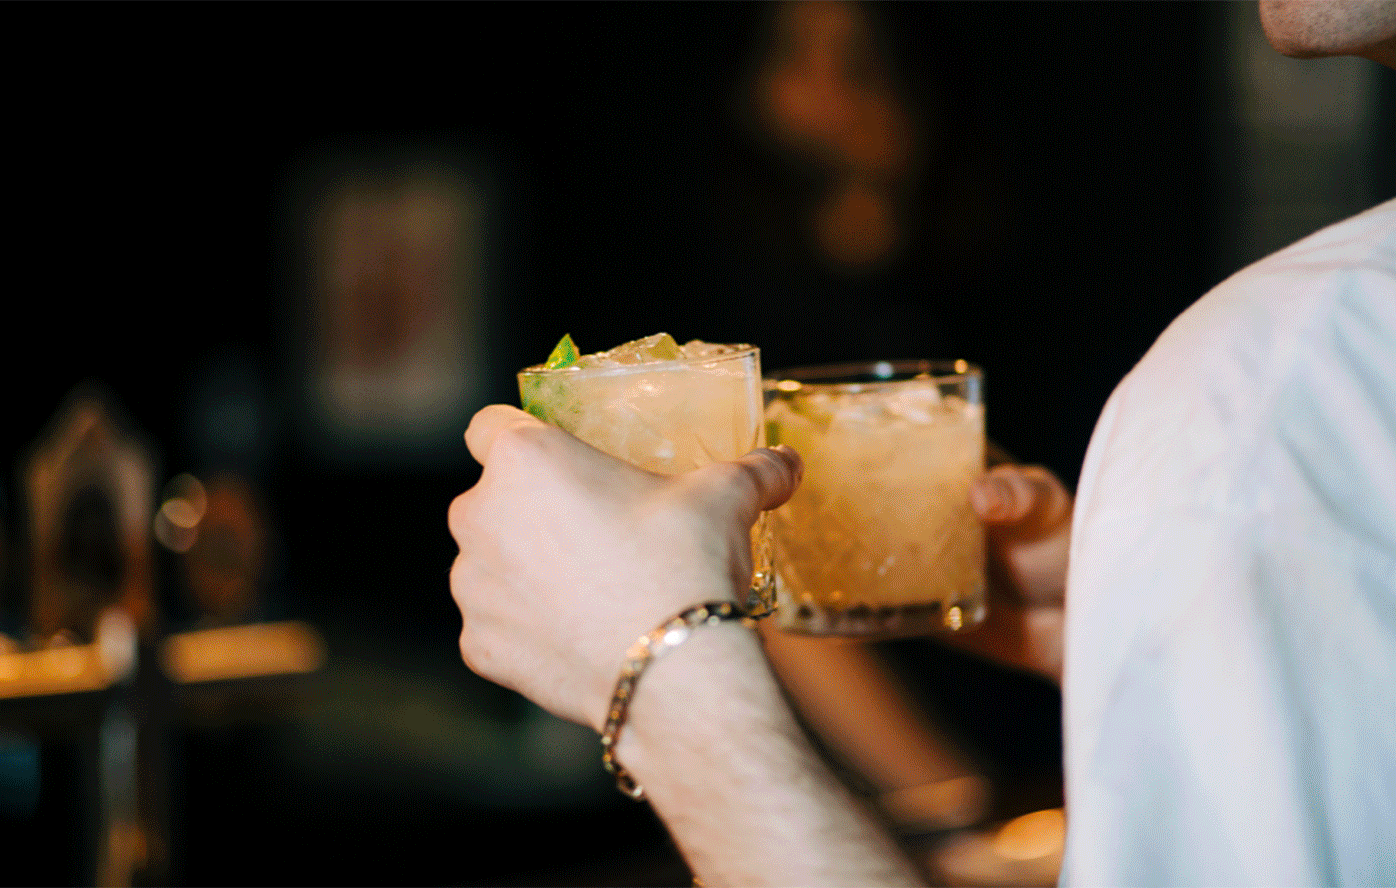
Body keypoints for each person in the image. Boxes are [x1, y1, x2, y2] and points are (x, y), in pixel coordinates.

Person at [447, 3, 1396, 885]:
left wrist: (659, 672)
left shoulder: (1267, 363)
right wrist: (1123, 610)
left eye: (862, 61)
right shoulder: (722, 285)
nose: (833, 91)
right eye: (797, 60)